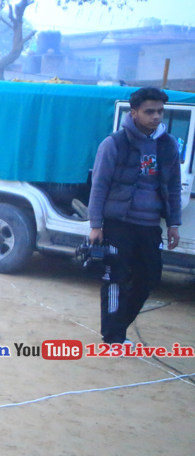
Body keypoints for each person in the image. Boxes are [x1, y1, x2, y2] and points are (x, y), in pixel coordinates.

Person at [87, 86, 182, 344]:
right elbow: (99, 185)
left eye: (160, 111)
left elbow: (173, 185)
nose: (156, 116)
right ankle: (113, 338)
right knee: (115, 279)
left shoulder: (168, 145)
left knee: (149, 279)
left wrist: (174, 223)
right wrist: (96, 225)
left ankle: (118, 326)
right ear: (134, 112)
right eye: (150, 111)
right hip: (119, 224)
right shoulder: (114, 143)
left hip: (150, 226)